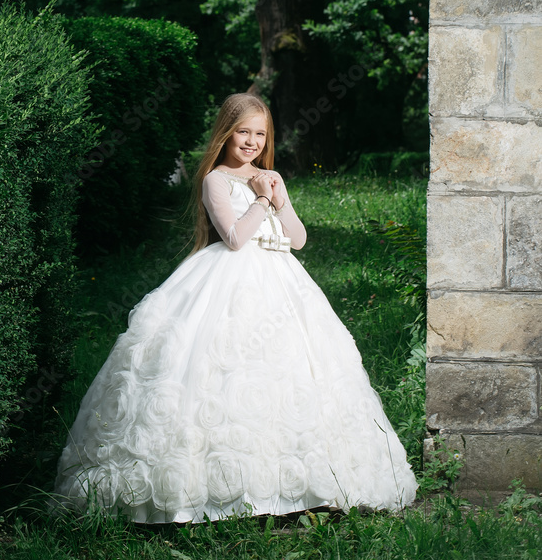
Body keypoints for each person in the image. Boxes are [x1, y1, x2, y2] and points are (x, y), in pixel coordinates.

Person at [51, 93, 417, 523]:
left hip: (282, 285)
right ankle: (209, 493)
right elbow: (235, 238)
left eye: (260, 134)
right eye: (243, 132)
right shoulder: (216, 180)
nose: (251, 142)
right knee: (218, 368)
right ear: (226, 133)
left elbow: (297, 239)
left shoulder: (271, 177)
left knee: (289, 372)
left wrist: (277, 196)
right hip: (227, 278)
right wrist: (261, 201)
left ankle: (305, 486)